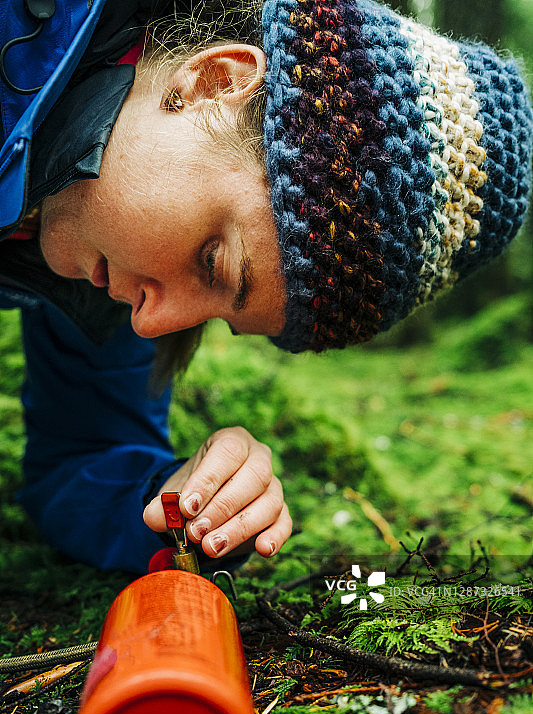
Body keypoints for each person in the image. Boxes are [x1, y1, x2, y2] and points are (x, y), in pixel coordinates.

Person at [1, 0, 531, 574]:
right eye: (212, 261)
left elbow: (82, 454)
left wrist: (176, 501)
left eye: (218, 315)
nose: (149, 324)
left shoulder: (116, 266)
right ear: (213, 82)